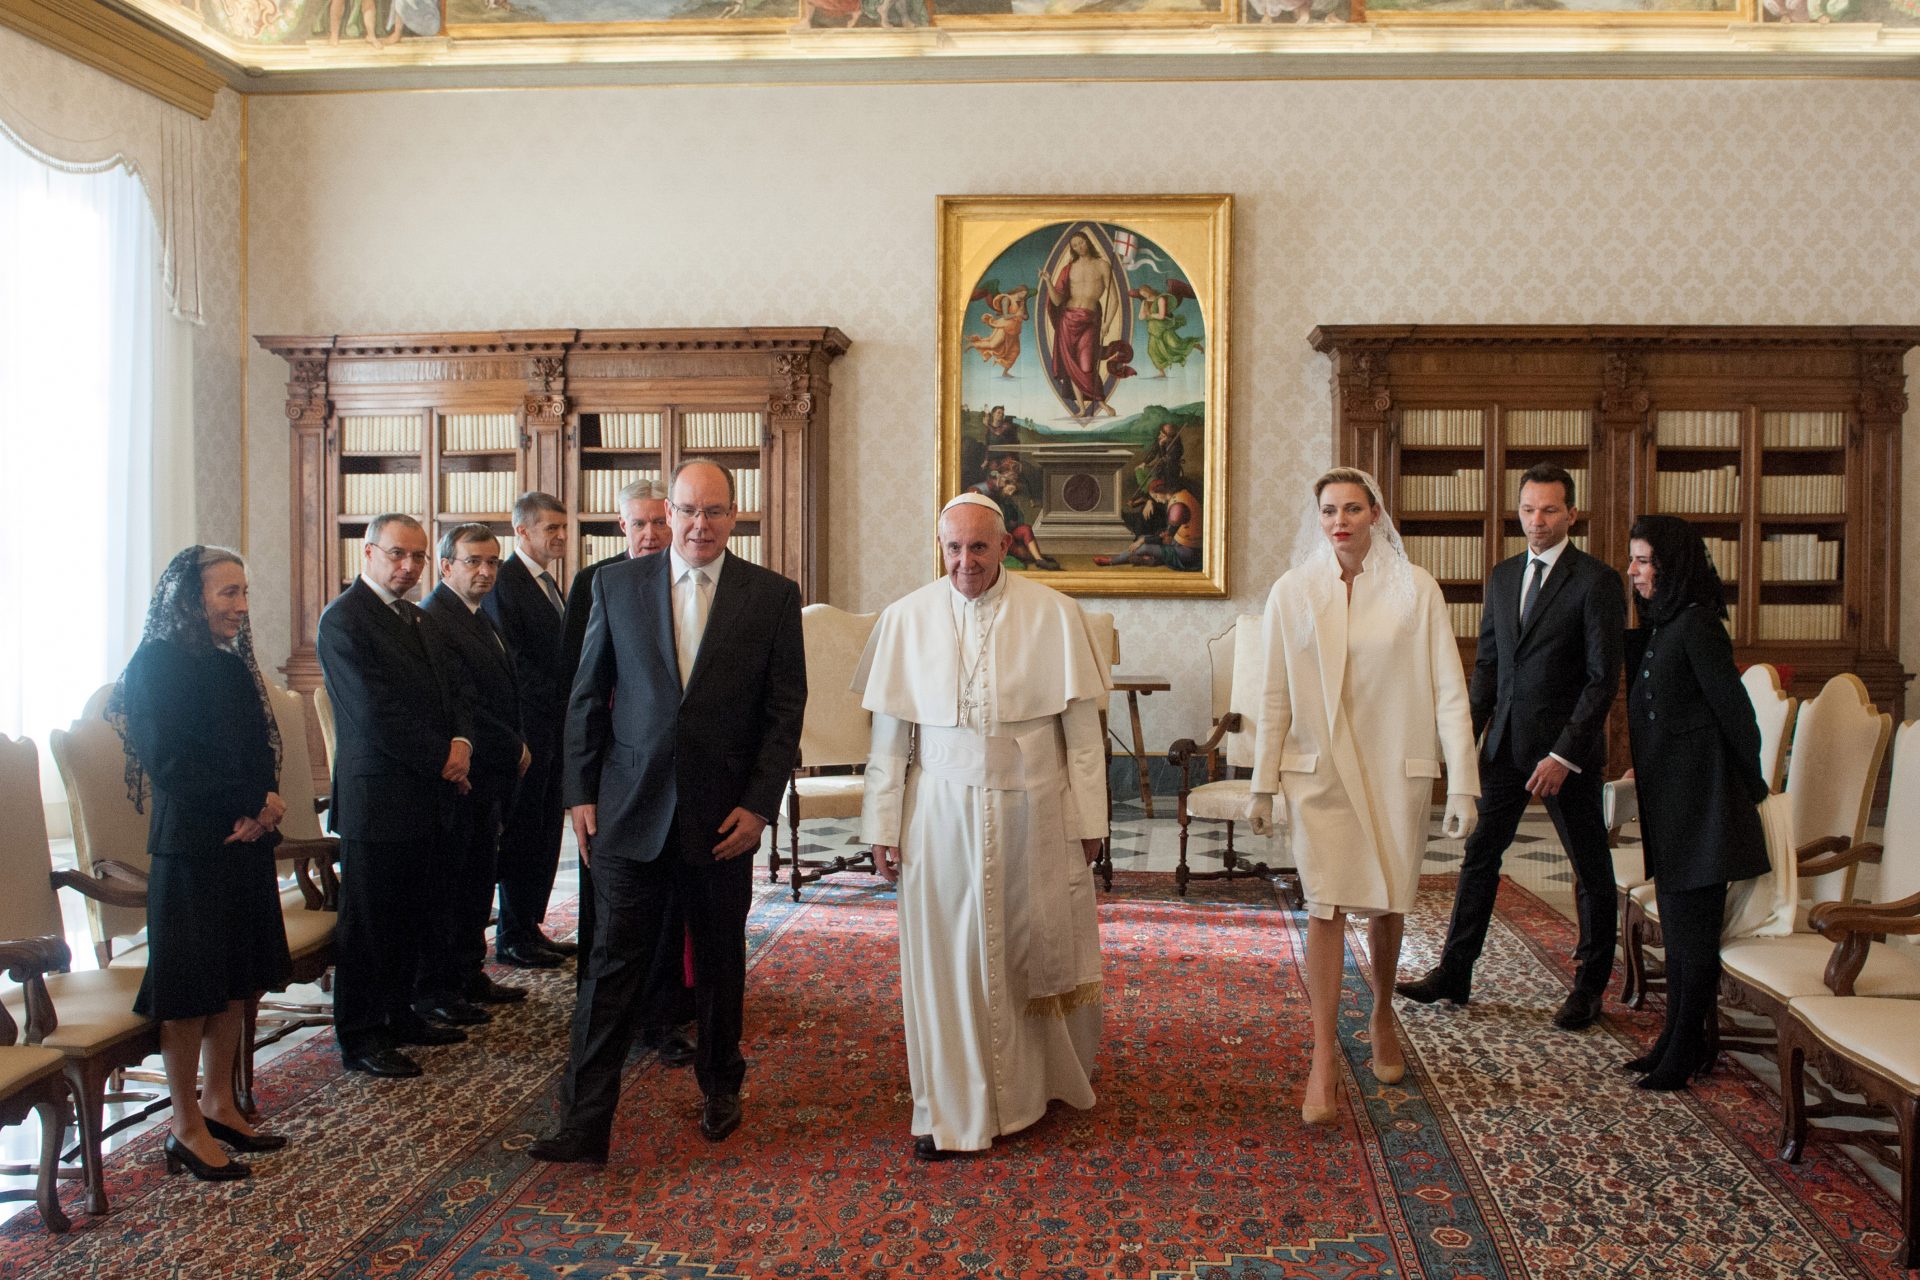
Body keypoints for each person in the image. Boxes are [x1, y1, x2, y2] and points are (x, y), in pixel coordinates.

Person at [530, 460, 806, 1163]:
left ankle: (721, 1087)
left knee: (717, 965)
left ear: (734, 515)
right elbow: (587, 698)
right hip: (628, 811)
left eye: (713, 511)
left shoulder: (771, 596)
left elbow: (783, 715)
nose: (698, 524)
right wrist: (580, 792)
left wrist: (758, 807)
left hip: (723, 822)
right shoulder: (615, 586)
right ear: (667, 511)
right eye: (686, 510)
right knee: (610, 969)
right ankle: (584, 1120)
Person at [854, 492, 1109, 1161]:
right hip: (939, 813)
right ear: (940, 548)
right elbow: (888, 740)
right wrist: (883, 822)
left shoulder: (1055, 615)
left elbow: (1082, 736)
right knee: (950, 962)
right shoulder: (907, 619)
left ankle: (1037, 1089)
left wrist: (1090, 820)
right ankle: (953, 1107)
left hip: (1034, 808)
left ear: (1003, 546)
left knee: (1028, 953)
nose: (964, 561)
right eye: (953, 547)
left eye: (978, 547)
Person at [1248, 468, 1479, 1124]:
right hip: (1319, 776)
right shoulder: (1293, 592)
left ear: (1375, 513)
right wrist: (1264, 781)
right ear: (1317, 518)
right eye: (1328, 509)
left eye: (1353, 507)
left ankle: (1380, 1013)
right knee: (1323, 905)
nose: (1340, 520)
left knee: (1385, 903)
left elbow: (1447, 690)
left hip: (1392, 772)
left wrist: (1462, 778)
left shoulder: (1416, 590)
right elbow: (1274, 694)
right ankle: (1323, 1056)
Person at [1397, 462, 1625, 1032]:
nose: (1537, 521)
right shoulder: (1501, 577)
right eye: (1528, 510)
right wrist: (1463, 742)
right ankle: (1454, 972)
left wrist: (1564, 755)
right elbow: (1490, 670)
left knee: (1590, 869)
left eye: (1549, 510)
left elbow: (1602, 679)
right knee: (1479, 858)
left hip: (1565, 758)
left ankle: (1588, 988)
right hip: (1504, 749)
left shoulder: (1596, 581)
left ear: (1571, 513)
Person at [108, 546, 293, 1180]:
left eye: (244, 593)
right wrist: (249, 803)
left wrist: (264, 807)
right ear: (190, 599)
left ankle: (219, 1104)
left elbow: (259, 744)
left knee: (236, 979)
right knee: (188, 992)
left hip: (243, 842)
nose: (241, 607)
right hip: (190, 845)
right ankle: (184, 1126)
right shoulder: (154, 666)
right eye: (227, 594)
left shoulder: (228, 666)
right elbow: (171, 763)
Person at [317, 513, 474, 1078]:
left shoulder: (419, 617)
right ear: (369, 552)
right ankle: (361, 1034)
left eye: (417, 557)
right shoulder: (344, 621)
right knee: (370, 924)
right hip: (378, 798)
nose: (408, 567)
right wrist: (446, 758)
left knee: (414, 913)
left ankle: (401, 1012)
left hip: (430, 792)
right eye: (397, 555)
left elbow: (454, 691)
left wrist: (460, 741)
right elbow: (375, 714)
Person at [1620, 515, 1770, 1090]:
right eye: (1634, 560)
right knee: (1680, 937)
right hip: (1675, 803)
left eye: (1643, 561)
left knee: (1692, 941)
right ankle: (1677, 1040)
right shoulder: (1665, 626)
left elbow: (1740, 720)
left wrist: (1746, 793)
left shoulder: (1699, 626)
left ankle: (1686, 1050)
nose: (1633, 572)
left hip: (1704, 808)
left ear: (1672, 564)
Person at [559, 479, 697, 1067]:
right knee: (611, 913)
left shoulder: (686, 583)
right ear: (622, 527)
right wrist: (579, 788)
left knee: (669, 910)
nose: (648, 534)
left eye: (656, 524)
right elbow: (579, 690)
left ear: (671, 522)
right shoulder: (598, 585)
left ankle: (664, 1015)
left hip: (673, 773)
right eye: (637, 525)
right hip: (615, 778)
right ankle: (602, 1017)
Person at [418, 524, 532, 1021]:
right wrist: (513, 745)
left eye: (493, 562)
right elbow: (462, 702)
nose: (486, 571)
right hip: (465, 773)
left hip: (491, 771)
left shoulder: (478, 614)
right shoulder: (434, 619)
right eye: (474, 562)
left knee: (478, 878)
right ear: (446, 567)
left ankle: (469, 973)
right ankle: (441, 988)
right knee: (451, 885)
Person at [483, 491, 576, 969]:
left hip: (554, 729)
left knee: (545, 833)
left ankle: (530, 928)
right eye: (550, 529)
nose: (561, 536)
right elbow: (513, 665)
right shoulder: (506, 582)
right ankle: (513, 936)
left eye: (564, 527)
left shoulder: (548, 583)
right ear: (522, 531)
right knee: (522, 835)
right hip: (526, 732)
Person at [1038, 231, 1132, 419]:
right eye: (1075, 245)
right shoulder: (1069, 268)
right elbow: (1056, 301)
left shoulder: (1103, 265)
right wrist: (1048, 281)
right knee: (1071, 366)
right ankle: (1082, 408)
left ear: (1087, 242)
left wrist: (1107, 323)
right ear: (1072, 249)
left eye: (1081, 242)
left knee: (1086, 366)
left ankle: (1102, 403)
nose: (1080, 247)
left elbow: (1114, 299)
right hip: (1068, 320)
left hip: (1089, 321)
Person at [1131, 281, 1204, 378]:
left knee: (1175, 344)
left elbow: (1161, 316)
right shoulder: (1144, 302)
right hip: (1153, 330)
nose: (1144, 296)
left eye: (1145, 293)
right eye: (1142, 295)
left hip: (1164, 328)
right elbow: (1140, 317)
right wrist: (1143, 315)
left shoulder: (1160, 299)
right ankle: (1162, 373)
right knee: (1152, 351)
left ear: (1149, 291)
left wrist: (1150, 315)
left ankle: (1195, 344)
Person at [965, 288, 1030, 378]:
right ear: (1017, 291)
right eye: (1022, 293)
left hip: (1014, 330)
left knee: (1015, 351)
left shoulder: (1022, 302)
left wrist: (1024, 314)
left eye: (1025, 294)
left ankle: (1005, 372)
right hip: (1005, 327)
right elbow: (1006, 316)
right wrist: (1016, 315)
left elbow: (1026, 317)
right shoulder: (1007, 299)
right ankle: (972, 344)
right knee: (993, 344)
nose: (1023, 295)